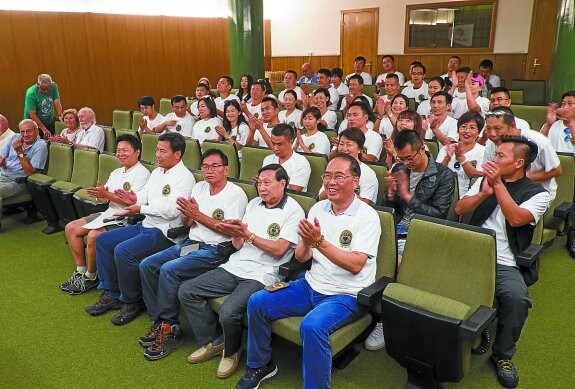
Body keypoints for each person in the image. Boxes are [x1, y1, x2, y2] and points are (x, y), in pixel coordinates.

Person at [236, 153, 381, 389]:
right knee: (258, 302)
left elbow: (356, 265)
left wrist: (319, 241)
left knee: (312, 326)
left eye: (339, 177)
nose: (331, 182)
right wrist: (305, 242)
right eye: (327, 176)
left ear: (355, 181)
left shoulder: (367, 216)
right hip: (311, 284)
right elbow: (302, 257)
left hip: (346, 295)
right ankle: (261, 364)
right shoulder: (318, 209)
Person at [178, 164, 304, 379]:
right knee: (187, 290)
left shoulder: (294, 210)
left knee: (229, 311)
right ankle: (215, 341)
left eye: (267, 183)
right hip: (235, 264)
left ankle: (232, 351)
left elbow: (279, 250)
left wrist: (248, 235)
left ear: (282, 184)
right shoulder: (254, 203)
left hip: (263, 273)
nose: (262, 188)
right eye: (259, 183)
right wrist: (235, 232)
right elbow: (237, 245)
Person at [455, 136, 550, 389]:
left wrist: (497, 186)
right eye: (494, 155)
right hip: (469, 250)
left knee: (517, 299)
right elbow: (460, 208)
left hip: (503, 261)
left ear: (519, 163)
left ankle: (502, 354)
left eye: (500, 156)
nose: (493, 159)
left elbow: (517, 218)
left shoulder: (538, 194)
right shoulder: (482, 181)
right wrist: (482, 192)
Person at [138, 149, 248, 361]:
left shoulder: (236, 194)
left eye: (214, 166)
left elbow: (230, 231)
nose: (209, 171)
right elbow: (188, 223)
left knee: (169, 270)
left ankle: (170, 329)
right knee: (148, 265)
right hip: (193, 244)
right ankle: (160, 323)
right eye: (205, 166)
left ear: (227, 169)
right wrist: (189, 216)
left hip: (217, 249)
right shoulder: (199, 187)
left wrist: (197, 215)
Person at [85, 132, 195, 325]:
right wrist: (133, 199)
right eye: (157, 150)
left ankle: (132, 301)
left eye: (163, 151)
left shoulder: (184, 178)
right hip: (146, 224)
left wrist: (140, 207)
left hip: (165, 233)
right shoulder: (157, 172)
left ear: (177, 154)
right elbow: (144, 195)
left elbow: (171, 211)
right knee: (103, 240)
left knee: (123, 251)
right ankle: (112, 292)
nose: (158, 155)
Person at [364, 130, 455, 351]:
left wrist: (407, 196)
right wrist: (393, 195)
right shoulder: (399, 169)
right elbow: (390, 208)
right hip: (395, 227)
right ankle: (361, 310)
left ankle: (387, 319)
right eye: (401, 158)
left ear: (422, 147)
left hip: (419, 233)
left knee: (396, 263)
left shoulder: (443, 175)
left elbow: (438, 216)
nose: (406, 163)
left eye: (410, 158)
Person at [60, 134, 150, 295]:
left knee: (94, 235)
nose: (120, 153)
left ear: (137, 152)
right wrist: (100, 195)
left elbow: (132, 204)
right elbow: (104, 198)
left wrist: (106, 195)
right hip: (109, 212)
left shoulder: (143, 173)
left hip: (125, 218)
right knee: (71, 228)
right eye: (118, 150)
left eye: (125, 150)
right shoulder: (116, 172)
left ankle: (90, 275)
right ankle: (80, 271)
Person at [483, 107, 561, 201]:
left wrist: (521, 179)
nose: (492, 134)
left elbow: (557, 170)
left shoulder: (539, 141)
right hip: (503, 190)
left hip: (537, 194)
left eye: (497, 128)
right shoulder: (491, 143)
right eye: (488, 129)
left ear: (512, 125)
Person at [0, 119, 48, 229]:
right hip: (3, 175)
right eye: (23, 132)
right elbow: (1, 157)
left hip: (20, 182)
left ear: (36, 131)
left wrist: (20, 152)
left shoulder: (40, 146)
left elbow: (31, 173)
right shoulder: (15, 137)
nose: (25, 135)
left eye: (29, 131)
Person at [319, 128, 378, 205]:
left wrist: (346, 188)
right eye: (341, 144)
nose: (344, 149)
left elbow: (365, 205)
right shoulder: (332, 168)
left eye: (349, 145)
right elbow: (321, 198)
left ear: (359, 149)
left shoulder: (368, 173)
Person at [436, 111, 485, 197]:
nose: (467, 131)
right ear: (458, 130)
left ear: (479, 132)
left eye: (472, 128)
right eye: (463, 127)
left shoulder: (483, 151)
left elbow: (477, 179)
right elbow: (437, 176)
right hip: (443, 194)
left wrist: (462, 159)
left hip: (467, 196)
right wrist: (447, 158)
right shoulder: (446, 149)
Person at [262, 123, 311, 192]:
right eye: (273, 143)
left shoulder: (301, 163)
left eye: (279, 144)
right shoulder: (268, 159)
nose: (275, 148)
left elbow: (291, 192)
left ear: (291, 142)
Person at [23, 73, 63, 138]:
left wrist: (60, 115)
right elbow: (32, 114)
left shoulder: (53, 86)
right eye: (43, 89)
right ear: (38, 84)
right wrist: (43, 129)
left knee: (54, 138)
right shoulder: (31, 93)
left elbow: (57, 101)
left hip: (49, 119)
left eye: (48, 89)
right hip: (34, 123)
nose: (46, 91)